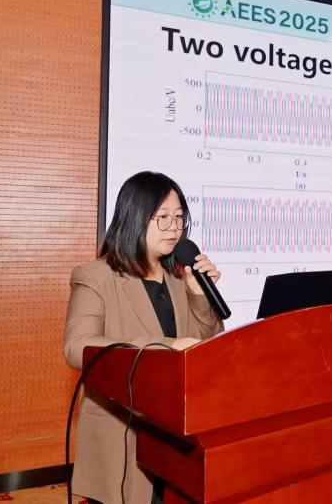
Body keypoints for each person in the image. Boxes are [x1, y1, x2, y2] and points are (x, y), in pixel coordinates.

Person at [63, 171, 224, 504]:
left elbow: (206, 347)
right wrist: (165, 346)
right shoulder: (96, 276)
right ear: (135, 218)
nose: (174, 228)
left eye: (179, 218)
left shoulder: (179, 277)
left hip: (178, 430)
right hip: (124, 431)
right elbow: (77, 347)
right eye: (162, 217)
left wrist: (199, 294)